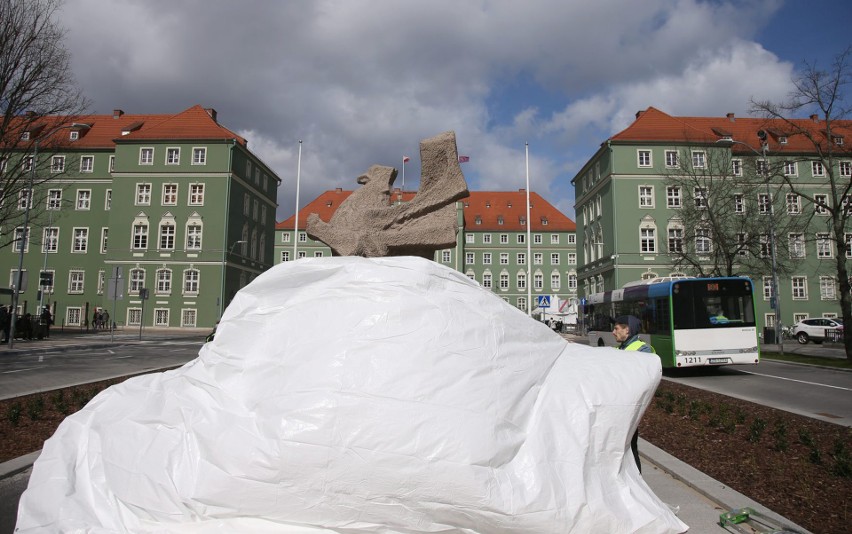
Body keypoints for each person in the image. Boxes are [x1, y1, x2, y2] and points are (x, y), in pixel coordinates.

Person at [612, 315, 654, 473]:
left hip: (631, 407)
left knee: (631, 447)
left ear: (627, 330)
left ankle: (636, 483)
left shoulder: (642, 349)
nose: (613, 332)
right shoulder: (620, 349)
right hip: (620, 406)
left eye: (617, 328)